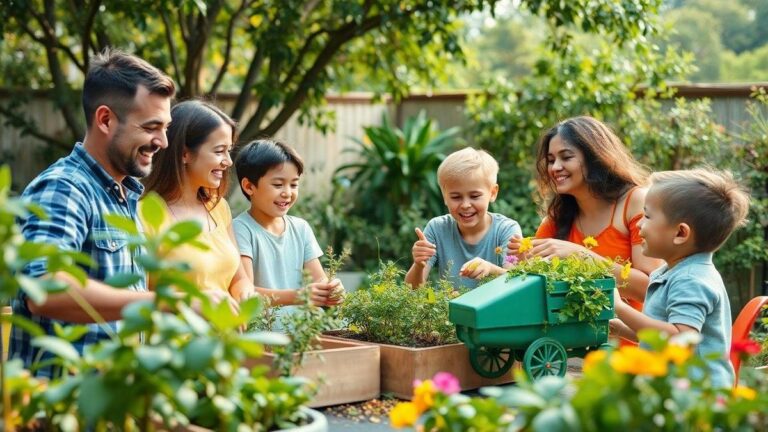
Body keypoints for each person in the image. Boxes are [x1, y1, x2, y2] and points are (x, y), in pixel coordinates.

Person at [10, 49, 233, 378]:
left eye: (166, 127)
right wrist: (170, 303)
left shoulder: (124, 195)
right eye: (151, 127)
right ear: (105, 120)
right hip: (63, 408)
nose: (163, 142)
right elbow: (45, 290)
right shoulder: (64, 189)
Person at [610, 168, 749, 388]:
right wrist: (620, 328)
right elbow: (660, 337)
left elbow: (679, 339)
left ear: (680, 233)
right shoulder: (671, 272)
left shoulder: (691, 280)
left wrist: (620, 307)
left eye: (647, 216)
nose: (638, 225)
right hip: (677, 391)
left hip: (700, 395)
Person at [508, 116, 662, 311]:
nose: (555, 167)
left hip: (633, 339)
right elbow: (537, 292)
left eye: (566, 157)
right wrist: (524, 266)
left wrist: (581, 257)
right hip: (572, 341)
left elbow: (653, 289)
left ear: (595, 157)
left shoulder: (636, 203)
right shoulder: (556, 220)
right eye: (551, 160)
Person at [140, 100, 252, 301]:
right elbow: (135, 297)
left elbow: (239, 279)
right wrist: (197, 302)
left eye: (229, 150)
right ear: (184, 154)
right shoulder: (144, 214)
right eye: (219, 151)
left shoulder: (218, 207)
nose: (228, 161)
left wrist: (244, 295)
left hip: (224, 331)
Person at [232, 139, 342, 312]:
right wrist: (298, 296)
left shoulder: (301, 228)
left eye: (294, 184)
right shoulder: (240, 230)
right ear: (249, 186)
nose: (287, 193)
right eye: (278, 184)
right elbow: (245, 292)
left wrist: (330, 289)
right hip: (264, 333)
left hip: (306, 331)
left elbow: (319, 280)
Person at [405, 147, 522, 290]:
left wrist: (491, 269)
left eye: (474, 196)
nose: (466, 205)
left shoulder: (506, 230)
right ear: (445, 197)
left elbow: (516, 283)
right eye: (456, 197)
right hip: (451, 311)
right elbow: (411, 290)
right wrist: (418, 265)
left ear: (492, 193)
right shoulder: (437, 229)